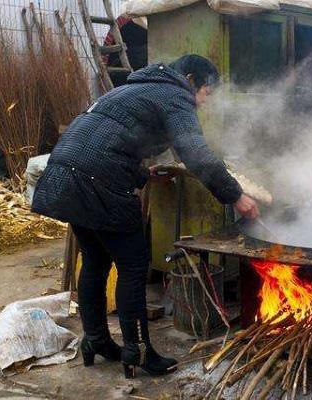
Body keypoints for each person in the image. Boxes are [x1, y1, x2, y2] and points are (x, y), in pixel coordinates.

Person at [32, 55, 260, 378]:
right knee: (134, 266)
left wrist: (143, 175)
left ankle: (95, 339)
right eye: (206, 93)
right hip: (98, 182)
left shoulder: (134, 88)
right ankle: (138, 351)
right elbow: (196, 153)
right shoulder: (175, 93)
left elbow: (109, 141)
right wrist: (236, 196)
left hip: (66, 174)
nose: (204, 102)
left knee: (95, 262)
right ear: (191, 79)